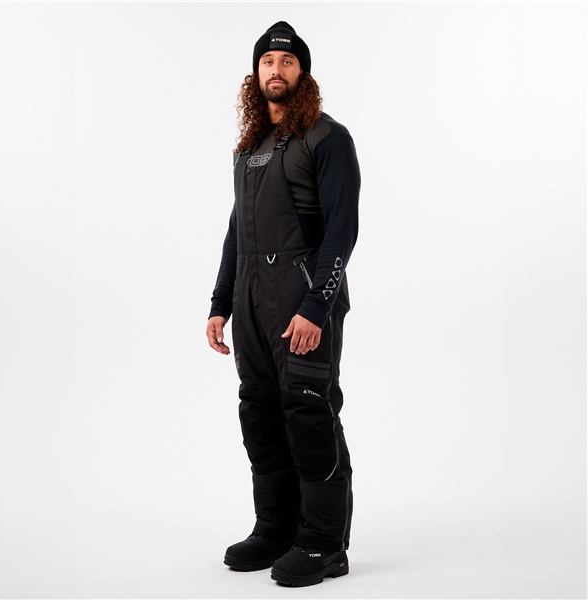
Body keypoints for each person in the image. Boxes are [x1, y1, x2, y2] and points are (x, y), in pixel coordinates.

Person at [206, 21, 360, 588]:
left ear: (303, 74)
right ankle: (276, 528)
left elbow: (342, 230)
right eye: (268, 62)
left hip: (301, 297)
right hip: (250, 300)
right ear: (256, 75)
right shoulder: (249, 148)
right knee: (260, 412)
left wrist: (316, 308)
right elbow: (237, 233)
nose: (277, 70)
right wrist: (220, 303)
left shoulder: (327, 138)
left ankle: (324, 544)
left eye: (288, 62)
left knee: (309, 412)